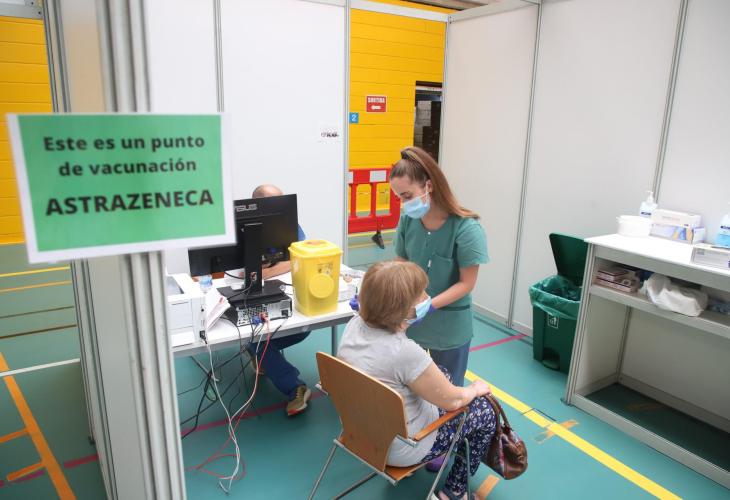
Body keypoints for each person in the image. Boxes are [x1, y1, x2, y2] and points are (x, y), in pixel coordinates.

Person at [337, 261, 496, 500]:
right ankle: (455, 491)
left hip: (359, 433)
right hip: (402, 449)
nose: (427, 297)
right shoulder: (405, 352)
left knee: (442, 373)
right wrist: (474, 389)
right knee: (485, 411)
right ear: (400, 308)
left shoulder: (354, 325)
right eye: (421, 294)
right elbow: (454, 401)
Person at [390, 147, 488, 388]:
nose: (403, 204)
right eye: (399, 197)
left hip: (449, 330)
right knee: (412, 392)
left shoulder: (466, 229)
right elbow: (401, 261)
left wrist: (429, 305)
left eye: (407, 195)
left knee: (447, 394)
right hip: (412, 326)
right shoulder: (408, 220)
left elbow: (467, 283)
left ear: (429, 186)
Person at [246, 184, 310, 416]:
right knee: (253, 338)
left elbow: (301, 257)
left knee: (259, 342)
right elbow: (244, 272)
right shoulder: (244, 229)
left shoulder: (289, 223)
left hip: (289, 296)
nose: (283, 207)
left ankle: (262, 356)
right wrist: (266, 270)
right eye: (276, 202)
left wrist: (265, 271)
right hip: (253, 296)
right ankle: (295, 388)